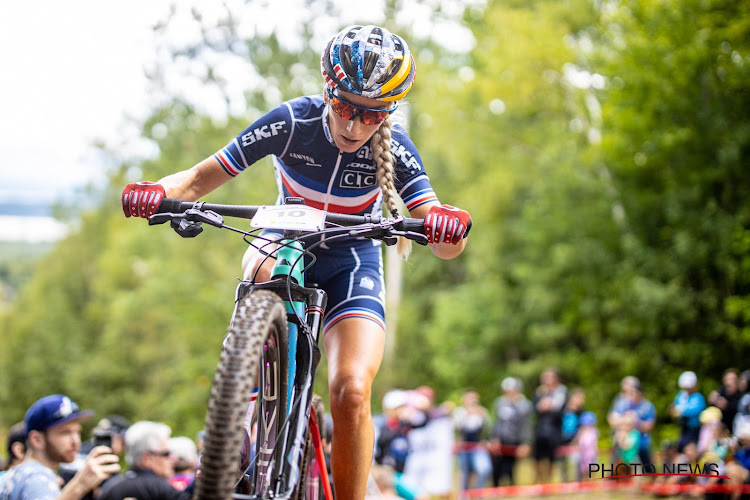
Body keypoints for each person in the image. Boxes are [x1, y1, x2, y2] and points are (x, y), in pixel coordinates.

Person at [121, 24, 472, 499]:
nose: (353, 126)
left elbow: (445, 239)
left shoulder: (398, 149)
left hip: (354, 257)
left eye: (371, 115)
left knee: (351, 390)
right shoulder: (292, 122)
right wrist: (156, 192)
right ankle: (244, 401)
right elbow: (199, 179)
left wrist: (449, 228)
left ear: (387, 112)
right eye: (346, 106)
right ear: (328, 89)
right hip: (286, 237)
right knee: (264, 261)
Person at [0, 394, 120, 500]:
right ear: (37, 439)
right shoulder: (38, 477)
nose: (76, 441)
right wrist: (80, 485)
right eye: (65, 433)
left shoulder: (14, 474)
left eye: (77, 432)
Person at [97, 420, 185, 500]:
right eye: (166, 453)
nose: (173, 458)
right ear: (147, 458)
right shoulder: (162, 488)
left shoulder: (111, 487)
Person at [489, 376, 533, 486]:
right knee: (496, 468)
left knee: (509, 468)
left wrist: (525, 442)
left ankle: (510, 489)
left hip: (514, 440)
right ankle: (496, 489)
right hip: (500, 440)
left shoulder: (524, 405)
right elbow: (496, 423)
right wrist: (494, 438)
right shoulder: (500, 403)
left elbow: (526, 426)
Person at [533, 368, 567, 484]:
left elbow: (561, 412)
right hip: (541, 430)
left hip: (554, 431)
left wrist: (549, 406)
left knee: (551, 459)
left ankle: (548, 482)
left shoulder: (562, 392)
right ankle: (538, 482)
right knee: (537, 458)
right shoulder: (539, 392)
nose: (545, 380)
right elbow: (536, 410)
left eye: (548, 377)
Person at [669, 370, 706, 452]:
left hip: (694, 429)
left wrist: (681, 411)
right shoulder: (681, 395)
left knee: (690, 449)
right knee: (682, 447)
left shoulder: (698, 397)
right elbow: (674, 406)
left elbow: (697, 410)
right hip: (683, 427)